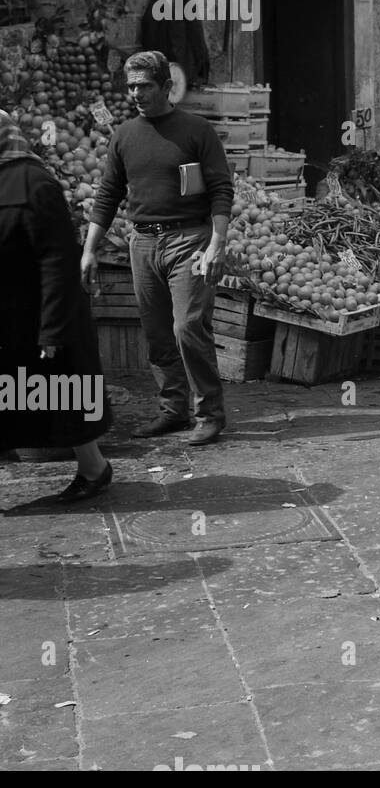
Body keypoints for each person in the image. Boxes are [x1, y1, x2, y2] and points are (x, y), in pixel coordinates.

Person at [82, 50, 233, 446]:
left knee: (187, 328)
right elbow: (107, 195)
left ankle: (210, 413)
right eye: (131, 86)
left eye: (145, 86)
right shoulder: (124, 135)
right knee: (157, 334)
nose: (136, 93)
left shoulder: (197, 130)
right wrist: (89, 249)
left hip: (190, 240)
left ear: (166, 87)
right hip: (143, 242)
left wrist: (217, 243)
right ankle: (173, 409)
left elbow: (221, 189)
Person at [0, 110, 113, 502]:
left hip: (39, 314)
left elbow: (57, 263)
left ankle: (95, 469)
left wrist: (51, 331)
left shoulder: (35, 183)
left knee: (61, 396)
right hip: (11, 316)